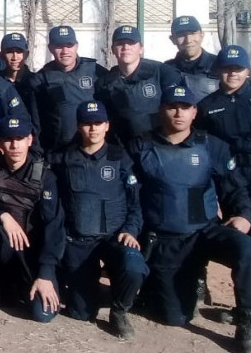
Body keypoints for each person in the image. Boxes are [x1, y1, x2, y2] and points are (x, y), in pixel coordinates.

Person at [130, 85, 251, 350]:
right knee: (175, 318)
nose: (178, 113)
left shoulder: (211, 145)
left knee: (245, 247)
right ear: (162, 110)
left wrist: (243, 214)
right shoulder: (141, 146)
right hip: (167, 240)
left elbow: (235, 186)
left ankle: (246, 322)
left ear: (194, 112)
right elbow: (130, 195)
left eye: (185, 107)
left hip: (205, 231)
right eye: (172, 106)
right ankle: (164, 284)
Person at [52, 100, 147, 339]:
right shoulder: (64, 158)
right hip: (80, 241)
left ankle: (119, 311)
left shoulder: (120, 158)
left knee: (134, 264)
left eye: (98, 123)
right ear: (78, 127)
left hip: (114, 237)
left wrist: (131, 230)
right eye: (87, 124)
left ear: (107, 125)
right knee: (81, 313)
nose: (93, 129)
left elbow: (136, 202)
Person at [0, 116, 64, 323]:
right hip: (2, 245)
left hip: (32, 252)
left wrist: (45, 273)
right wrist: (2, 216)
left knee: (42, 315)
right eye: (8, 139)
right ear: (0, 142)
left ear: (29, 140)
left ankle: (22, 285)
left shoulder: (45, 176)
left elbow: (54, 226)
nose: (14, 145)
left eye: (20, 138)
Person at [96, 26, 182, 148]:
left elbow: (178, 111)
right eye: (120, 44)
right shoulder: (105, 83)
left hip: (161, 147)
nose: (126, 47)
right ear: (113, 50)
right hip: (125, 149)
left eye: (131, 43)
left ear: (141, 49)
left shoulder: (163, 72)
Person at [29, 26, 107, 154]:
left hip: (92, 148)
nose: (65, 51)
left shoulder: (95, 71)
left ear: (76, 46)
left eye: (69, 45)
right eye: (59, 46)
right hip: (59, 151)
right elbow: (36, 122)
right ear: (50, 48)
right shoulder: (41, 80)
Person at [198, 45, 251, 186]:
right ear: (217, 71)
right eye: (227, 68)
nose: (233, 73)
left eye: (238, 69)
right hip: (226, 176)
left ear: (248, 71)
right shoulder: (206, 106)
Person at [165, 16, 218, 104]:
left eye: (193, 33)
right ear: (172, 39)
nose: (188, 40)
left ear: (202, 35)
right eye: (181, 35)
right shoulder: (166, 70)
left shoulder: (219, 65)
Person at [0, 32, 36, 119]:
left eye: (19, 52)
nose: (15, 57)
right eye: (9, 52)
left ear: (26, 54)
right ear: (1, 55)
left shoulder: (35, 83)